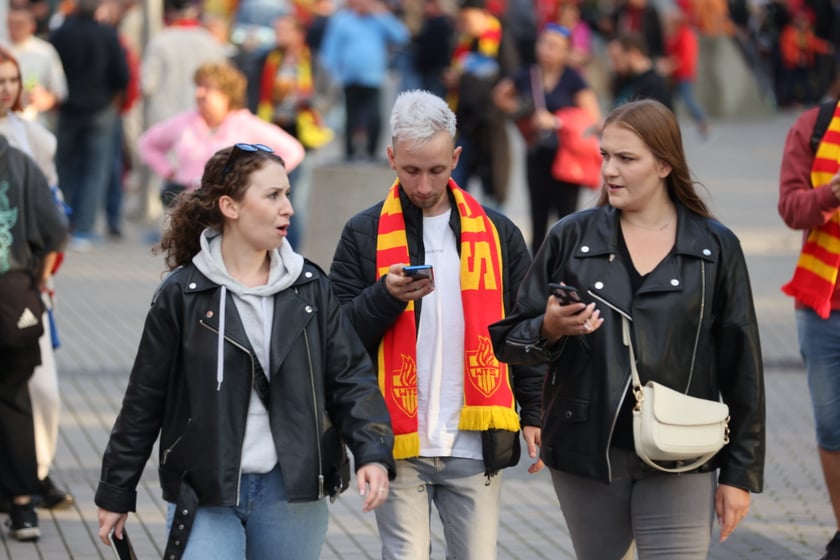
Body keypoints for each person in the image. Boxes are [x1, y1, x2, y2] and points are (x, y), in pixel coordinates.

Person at [490, 99, 765, 559]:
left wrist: (740, 474)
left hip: (683, 448)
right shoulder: (571, 238)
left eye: (626, 158)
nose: (610, 171)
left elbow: (744, 367)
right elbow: (509, 340)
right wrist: (550, 328)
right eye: (605, 156)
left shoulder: (715, 247)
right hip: (587, 449)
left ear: (663, 164)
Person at [94, 143, 396, 560]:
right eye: (272, 195)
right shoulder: (183, 294)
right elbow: (145, 399)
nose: (288, 207)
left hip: (292, 491)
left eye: (287, 194)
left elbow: (350, 378)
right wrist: (116, 490)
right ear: (230, 207)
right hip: (204, 488)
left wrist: (373, 452)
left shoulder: (310, 287)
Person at [329, 90, 543, 559]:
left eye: (437, 170)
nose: (424, 185)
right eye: (410, 170)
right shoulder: (363, 233)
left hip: (474, 436)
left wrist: (535, 411)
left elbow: (524, 329)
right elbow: (337, 339)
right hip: (397, 439)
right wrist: (383, 298)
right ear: (391, 157)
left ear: (456, 157)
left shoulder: (498, 232)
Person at [0, 46, 74, 512]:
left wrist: (45, 275)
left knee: (36, 389)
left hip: (20, 282)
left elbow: (54, 218)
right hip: (17, 282)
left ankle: (33, 478)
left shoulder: (33, 141)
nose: (4, 90)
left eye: (10, 81)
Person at [778, 98, 840, 560]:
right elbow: (792, 207)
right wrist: (831, 194)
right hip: (824, 307)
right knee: (832, 428)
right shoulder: (814, 126)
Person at [493, 22, 601, 254]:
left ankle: (566, 266)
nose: (547, 49)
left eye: (555, 46)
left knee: (567, 216)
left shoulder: (573, 79)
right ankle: (537, 271)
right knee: (538, 215)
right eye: (544, 43)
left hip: (567, 156)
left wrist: (557, 121)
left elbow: (593, 119)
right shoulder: (527, 75)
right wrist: (520, 110)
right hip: (537, 153)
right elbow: (500, 95)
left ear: (566, 51)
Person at [138, 62, 304, 208]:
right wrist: (168, 172)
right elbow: (147, 143)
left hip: (230, 211)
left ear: (227, 94)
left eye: (207, 88)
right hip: (189, 208)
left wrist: (257, 180)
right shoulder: (185, 122)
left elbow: (293, 151)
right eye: (198, 86)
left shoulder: (246, 124)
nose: (199, 93)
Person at [248, 14, 334, 250]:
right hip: (270, 136)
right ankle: (269, 245)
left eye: (284, 30)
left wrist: (310, 100)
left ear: (299, 34)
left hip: (301, 138)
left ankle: (292, 252)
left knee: (295, 200)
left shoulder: (313, 62)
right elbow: (252, 93)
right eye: (277, 30)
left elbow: (330, 95)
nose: (279, 35)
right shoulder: (265, 60)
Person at [48, 0, 129, 252]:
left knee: (64, 166)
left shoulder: (61, 33)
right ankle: (84, 229)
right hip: (100, 108)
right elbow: (122, 74)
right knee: (96, 170)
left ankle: (60, 222)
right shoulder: (107, 34)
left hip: (68, 108)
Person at [445, 0, 516, 207]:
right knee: (454, 192)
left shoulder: (501, 41)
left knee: (492, 198)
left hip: (490, 128)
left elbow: (509, 81)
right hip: (465, 127)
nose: (463, 24)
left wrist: (463, 80)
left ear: (483, 15)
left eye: (467, 19)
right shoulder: (464, 43)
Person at [318, 0, 408, 162]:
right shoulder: (342, 20)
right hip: (349, 77)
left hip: (373, 77)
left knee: (374, 116)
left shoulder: (378, 19)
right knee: (351, 115)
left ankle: (373, 152)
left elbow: (401, 36)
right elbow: (330, 49)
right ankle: (349, 153)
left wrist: (382, 13)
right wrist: (333, 75)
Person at [5, 3, 67, 127]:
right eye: (11, 24)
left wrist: (46, 100)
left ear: (32, 26)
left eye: (20, 24)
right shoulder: (3, 48)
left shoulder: (45, 51)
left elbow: (60, 91)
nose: (15, 29)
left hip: (35, 123)